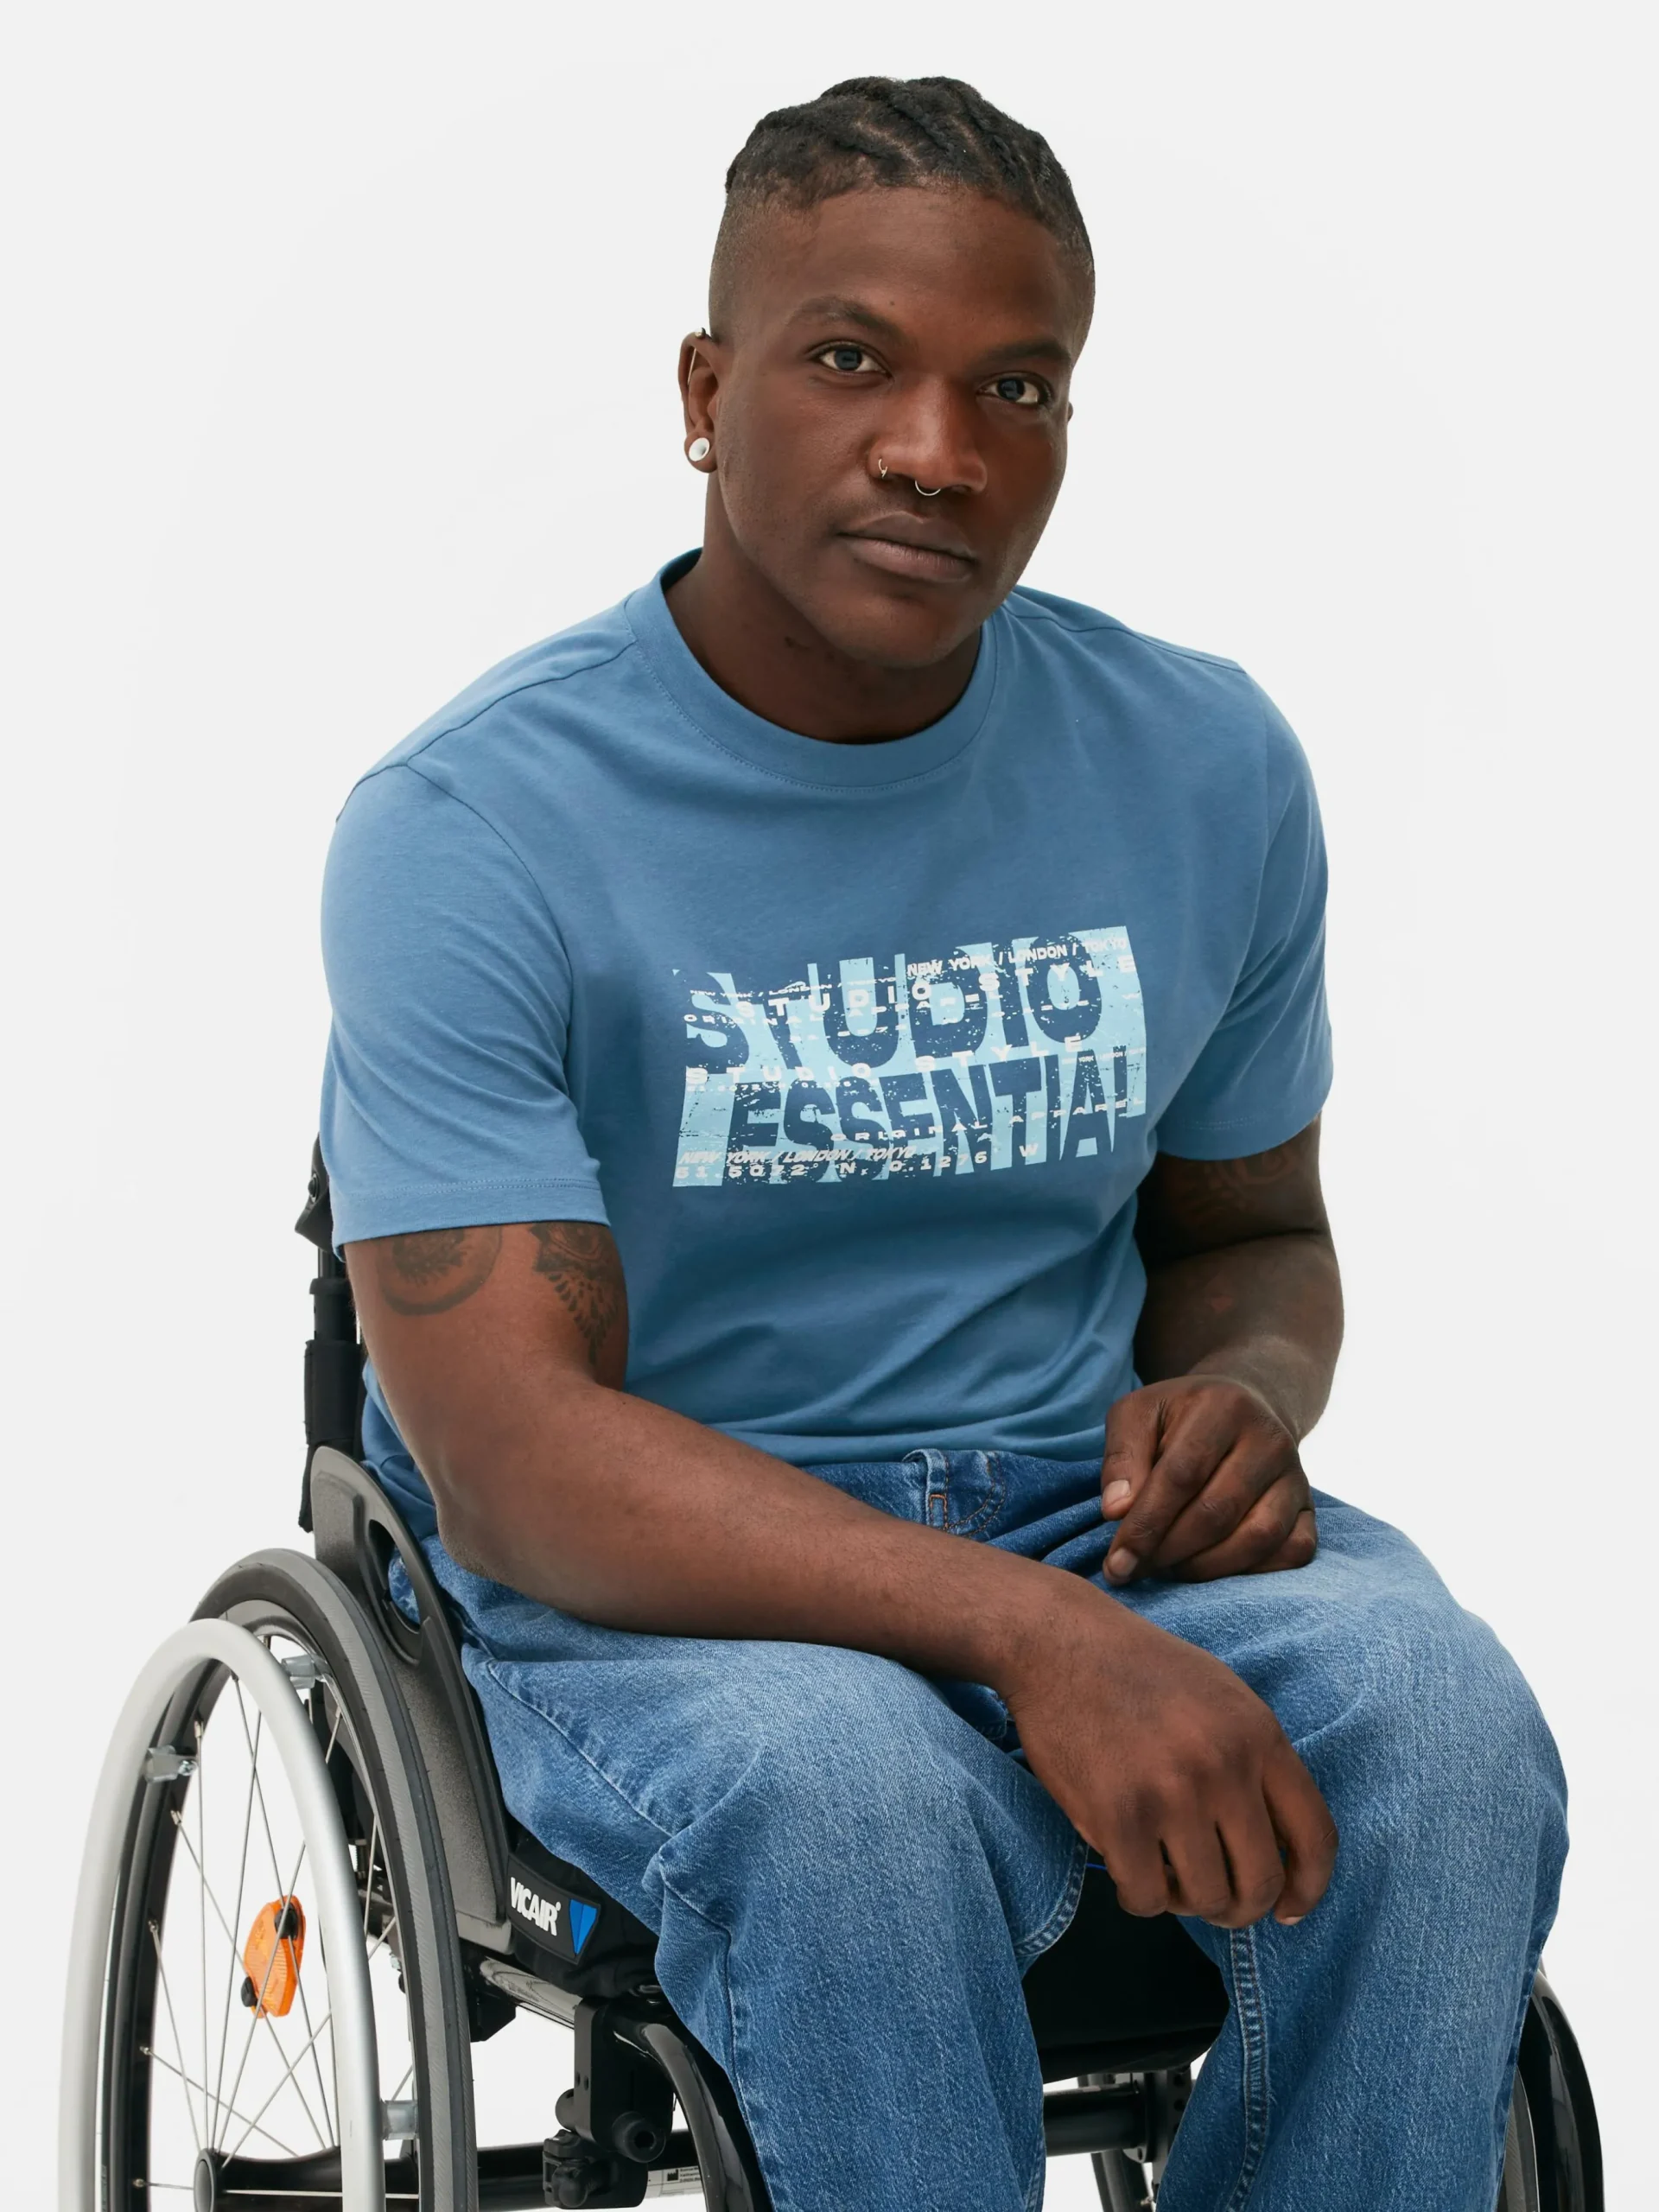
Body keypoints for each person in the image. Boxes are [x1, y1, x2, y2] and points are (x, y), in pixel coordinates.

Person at [318, 76, 1565, 2212]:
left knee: (1443, 1721)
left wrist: (1245, 1394)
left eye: (1020, 385)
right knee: (848, 1797)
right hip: (655, 1590)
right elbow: (517, 1459)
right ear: (705, 393)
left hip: (1084, 1510)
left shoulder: (1203, 763)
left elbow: (1255, 1230)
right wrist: (1029, 1633)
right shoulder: (477, 825)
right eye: (849, 358)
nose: (940, 449)